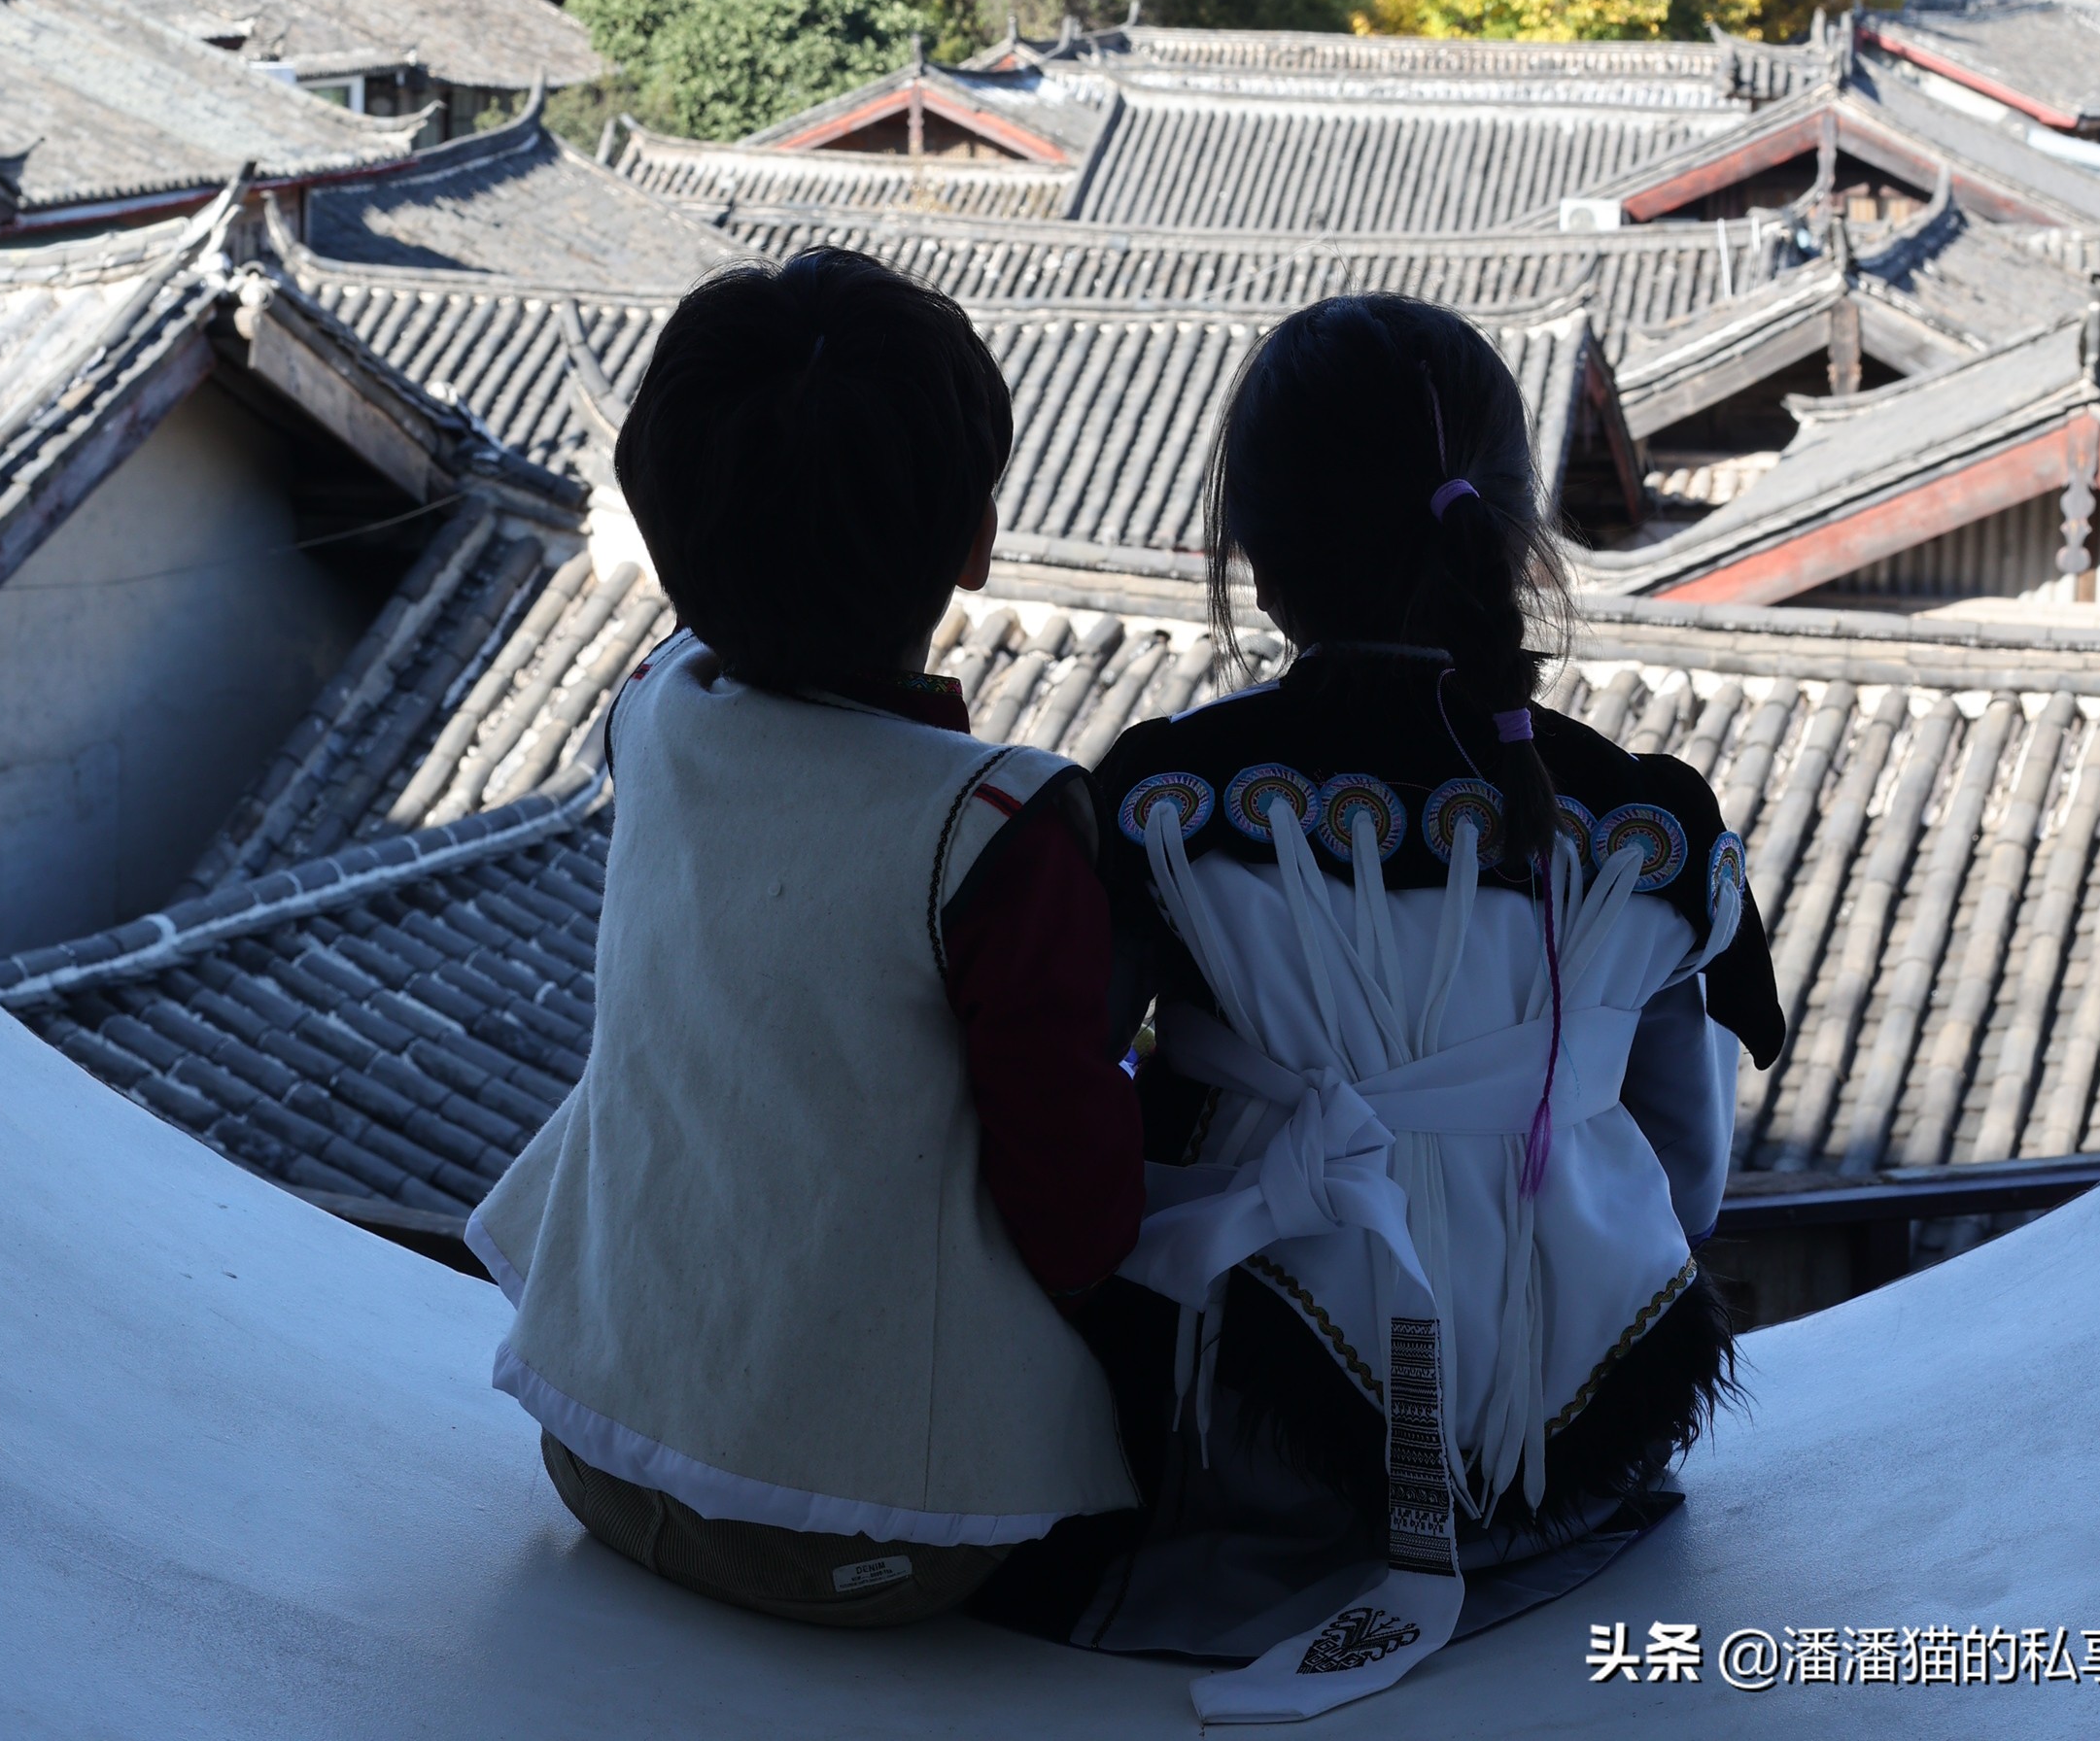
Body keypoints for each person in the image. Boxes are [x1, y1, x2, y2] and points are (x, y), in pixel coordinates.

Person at [1084, 293, 1785, 1719]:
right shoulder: (1642, 827)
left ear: (1257, 566)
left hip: (1243, 1456)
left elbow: (1066, 1104)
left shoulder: (1172, 802)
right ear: (1515, 542)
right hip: (1580, 1448)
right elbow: (1692, 1177)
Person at [465, 248, 1145, 1629]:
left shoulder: (652, 716)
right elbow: (1080, 1220)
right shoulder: (992, 832)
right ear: (977, 543)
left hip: (590, 1445)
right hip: (879, 1533)